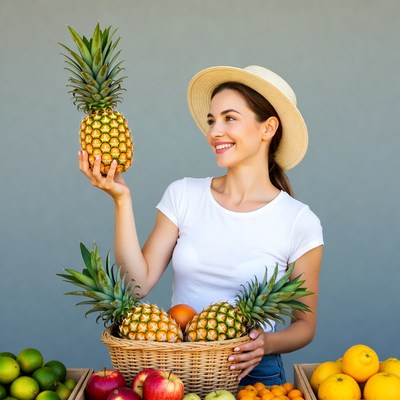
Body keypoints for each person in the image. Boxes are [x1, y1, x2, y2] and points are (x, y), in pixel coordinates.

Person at [78, 65, 324, 386]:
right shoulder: (184, 194)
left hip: (254, 371)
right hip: (178, 368)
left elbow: (304, 325)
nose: (214, 132)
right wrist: (120, 200)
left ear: (268, 128)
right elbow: (135, 285)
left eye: (229, 118)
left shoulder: (298, 220)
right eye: (211, 120)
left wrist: (266, 343)